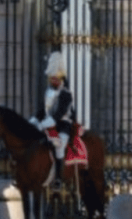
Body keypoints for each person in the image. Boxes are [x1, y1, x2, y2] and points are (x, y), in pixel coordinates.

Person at [29, 51, 75, 186]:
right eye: (51, 78)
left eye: (56, 78)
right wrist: (33, 121)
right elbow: (44, 110)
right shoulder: (47, 92)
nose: (53, 80)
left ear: (61, 79)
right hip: (48, 124)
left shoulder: (66, 94)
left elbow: (58, 114)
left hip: (62, 126)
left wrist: (43, 125)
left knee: (59, 146)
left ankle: (58, 178)